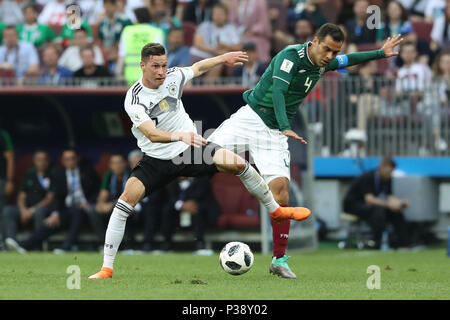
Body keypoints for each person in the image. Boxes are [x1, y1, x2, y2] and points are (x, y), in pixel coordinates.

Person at [88, 43, 311, 279]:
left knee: (239, 165)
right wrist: (179, 135)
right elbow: (152, 134)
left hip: (190, 151)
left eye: (164, 65)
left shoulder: (173, 76)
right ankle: (107, 268)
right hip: (157, 159)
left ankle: (276, 211)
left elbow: (197, 67)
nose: (161, 71)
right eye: (155, 66)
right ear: (142, 66)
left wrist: (223, 57)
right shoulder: (134, 98)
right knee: (124, 203)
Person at [207, 23, 403, 279]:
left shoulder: (325, 62)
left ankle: (279, 260)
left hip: (274, 134)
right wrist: (287, 125)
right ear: (315, 41)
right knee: (204, 155)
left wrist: (379, 52)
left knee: (281, 195)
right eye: (327, 49)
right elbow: (279, 92)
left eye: (334, 52)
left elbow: (348, 60)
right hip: (251, 118)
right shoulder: (290, 55)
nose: (330, 56)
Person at [8, 148, 100, 253]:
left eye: (72, 158)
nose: (70, 161)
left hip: (86, 208)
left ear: (77, 159)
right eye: (67, 159)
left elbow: (98, 190)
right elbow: (56, 197)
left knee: (77, 212)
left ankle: (67, 247)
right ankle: (23, 246)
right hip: (66, 210)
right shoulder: (58, 174)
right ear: (62, 161)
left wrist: (89, 202)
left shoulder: (88, 171)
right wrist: (55, 213)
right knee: (50, 223)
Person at [343, 157, 411, 249]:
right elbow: (369, 199)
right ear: (381, 167)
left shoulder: (387, 178)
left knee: (396, 213)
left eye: (391, 172)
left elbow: (390, 197)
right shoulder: (369, 177)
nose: (389, 175)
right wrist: (388, 204)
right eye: (388, 172)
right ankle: (378, 242)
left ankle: (404, 244)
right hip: (353, 205)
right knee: (377, 211)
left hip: (367, 206)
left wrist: (400, 203)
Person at [3, 151, 53, 250]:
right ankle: (11, 245)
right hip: (26, 209)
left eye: (44, 160)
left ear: (48, 161)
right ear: (34, 161)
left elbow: (49, 198)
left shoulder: (53, 174)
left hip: (43, 209)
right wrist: (23, 210)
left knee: (40, 211)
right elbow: (21, 196)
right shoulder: (29, 174)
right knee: (8, 211)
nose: (41, 162)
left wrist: (31, 210)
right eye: (39, 160)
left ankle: (37, 247)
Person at [161, 177, 221, 255]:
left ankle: (200, 243)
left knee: (197, 210)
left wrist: (190, 204)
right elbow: (171, 197)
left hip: (202, 209)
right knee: (167, 210)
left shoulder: (202, 179)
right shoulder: (174, 182)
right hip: (181, 211)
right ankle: (167, 243)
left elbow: (202, 196)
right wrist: (182, 205)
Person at [190, 3, 242, 78]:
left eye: (221, 14)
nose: (218, 16)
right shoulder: (204, 26)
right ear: (212, 15)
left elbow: (239, 47)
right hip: (203, 56)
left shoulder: (231, 29)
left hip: (224, 59)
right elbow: (198, 44)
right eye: (216, 14)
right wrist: (216, 51)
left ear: (226, 16)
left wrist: (224, 46)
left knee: (219, 64)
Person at [116, 7, 165, 85]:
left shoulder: (127, 31)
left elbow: (122, 55)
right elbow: (161, 59)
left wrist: (118, 74)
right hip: (150, 80)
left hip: (130, 81)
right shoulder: (156, 32)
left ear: (136, 18)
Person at [98, 0, 133, 73]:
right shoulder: (103, 22)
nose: (107, 8)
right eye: (105, 6)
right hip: (107, 56)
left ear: (115, 6)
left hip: (120, 55)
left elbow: (129, 39)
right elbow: (100, 39)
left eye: (110, 6)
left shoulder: (125, 20)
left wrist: (115, 49)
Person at [0, 128, 14, 246]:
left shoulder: (3, 134)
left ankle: (4, 244)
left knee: (2, 212)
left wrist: (9, 180)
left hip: (1, 180)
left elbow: (10, 157)